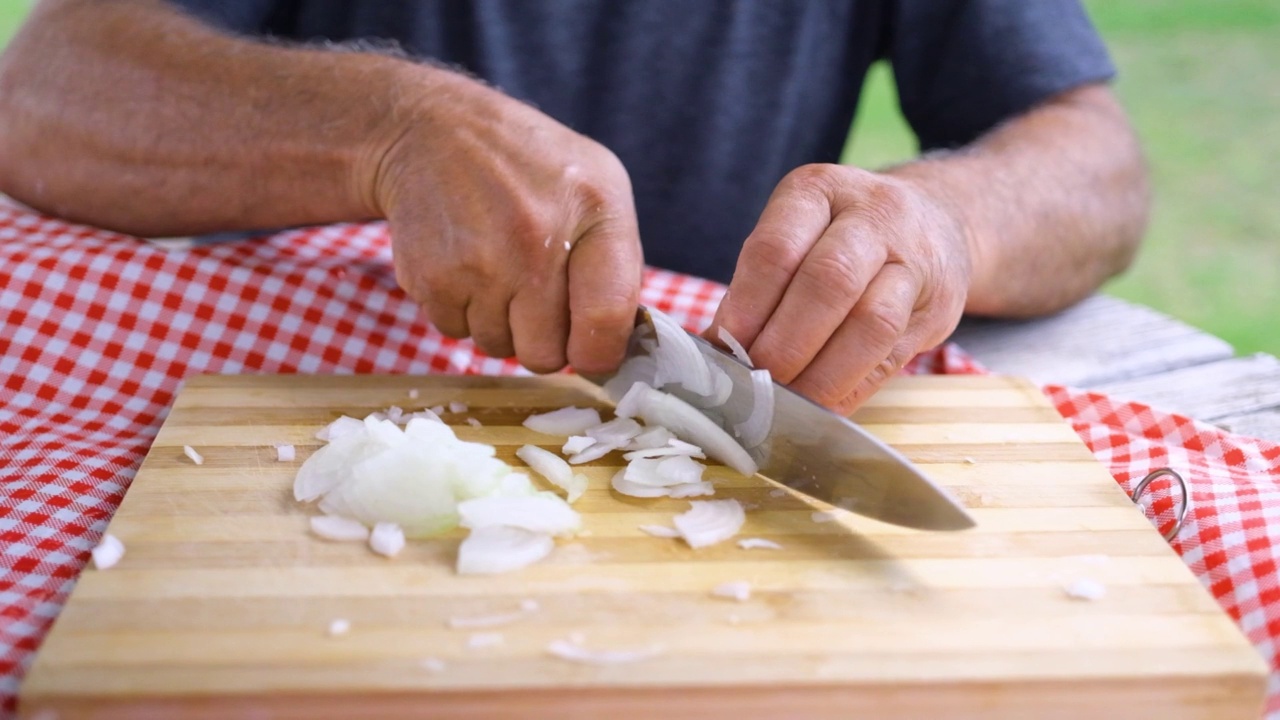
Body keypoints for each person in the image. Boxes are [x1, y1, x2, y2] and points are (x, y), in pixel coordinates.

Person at [0, 0, 1148, 413]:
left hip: (720, 388)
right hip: (304, 402)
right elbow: (45, 91)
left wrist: (946, 219)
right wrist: (388, 132)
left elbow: (1092, 160)